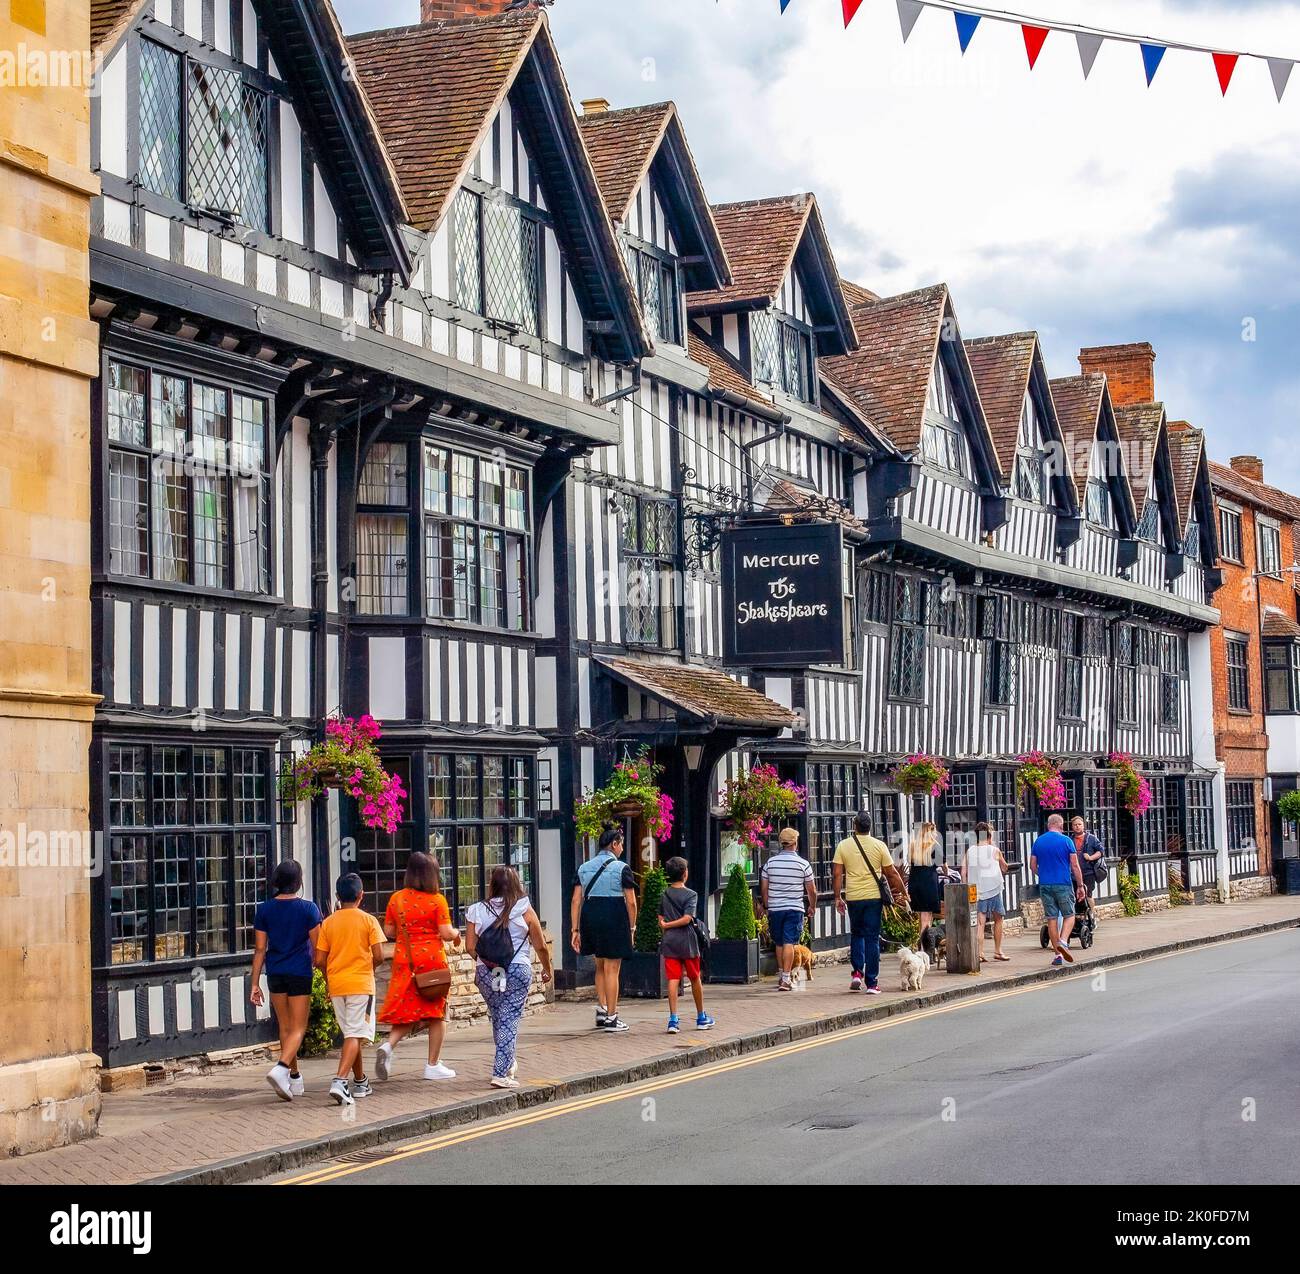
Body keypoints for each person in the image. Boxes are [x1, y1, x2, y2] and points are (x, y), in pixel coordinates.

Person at [375, 851, 460, 1084]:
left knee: (407, 1010)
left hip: (406, 961)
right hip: (432, 962)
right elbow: (445, 932)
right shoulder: (437, 900)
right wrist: (456, 934)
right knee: (437, 1013)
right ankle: (432, 1065)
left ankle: (388, 1045)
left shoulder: (397, 898)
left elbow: (389, 932)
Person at [465, 865, 552, 1089]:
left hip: (486, 972)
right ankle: (501, 1072)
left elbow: (470, 946)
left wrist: (488, 960)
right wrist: (546, 969)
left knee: (499, 1016)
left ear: (492, 884)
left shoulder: (476, 910)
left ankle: (508, 1061)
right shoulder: (524, 908)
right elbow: (540, 945)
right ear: (516, 884)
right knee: (509, 1019)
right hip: (517, 970)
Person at [250, 859, 322, 1101]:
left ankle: (295, 1078)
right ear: (298, 882)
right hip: (299, 971)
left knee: (285, 1027)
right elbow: (317, 946)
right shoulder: (309, 909)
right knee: (299, 1028)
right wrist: (323, 967)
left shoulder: (264, 909)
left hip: (275, 972)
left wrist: (254, 983)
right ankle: (281, 1069)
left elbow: (260, 949)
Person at [314, 873, 386, 1106]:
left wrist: (328, 980)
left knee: (350, 1035)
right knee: (355, 1034)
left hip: (337, 985)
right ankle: (340, 1081)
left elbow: (319, 959)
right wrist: (370, 968)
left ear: (337, 896)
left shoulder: (328, 923)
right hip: (360, 983)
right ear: (361, 895)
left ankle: (360, 1081)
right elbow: (379, 956)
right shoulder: (368, 921)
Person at [832, 812, 909, 995]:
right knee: (872, 939)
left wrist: (837, 897)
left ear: (854, 826)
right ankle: (872, 983)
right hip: (873, 897)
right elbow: (891, 874)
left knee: (857, 934)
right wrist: (905, 893)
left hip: (853, 897)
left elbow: (837, 874)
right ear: (870, 827)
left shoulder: (843, 845)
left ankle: (857, 972)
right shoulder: (879, 845)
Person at [570, 825, 637, 1032]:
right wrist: (632, 927)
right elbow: (632, 902)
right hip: (614, 916)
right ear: (614, 844)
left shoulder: (584, 867)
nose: (622, 849)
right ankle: (612, 1018)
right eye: (621, 845)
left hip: (590, 916)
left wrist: (575, 930)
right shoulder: (622, 868)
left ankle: (602, 1010)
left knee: (599, 965)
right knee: (612, 968)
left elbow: (575, 900)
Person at [657, 856, 714, 1033]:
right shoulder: (691, 894)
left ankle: (673, 1020)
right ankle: (701, 1017)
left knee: (673, 979)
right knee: (695, 977)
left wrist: (665, 926)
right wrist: (670, 924)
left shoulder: (664, 894)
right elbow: (687, 918)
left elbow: (661, 918)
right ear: (684, 874)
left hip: (670, 941)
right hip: (688, 941)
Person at [761, 827, 817, 992]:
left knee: (779, 942)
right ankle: (786, 979)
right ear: (794, 843)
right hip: (794, 908)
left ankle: (781, 975)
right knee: (789, 943)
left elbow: (764, 888)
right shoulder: (803, 864)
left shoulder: (770, 863)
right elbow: (812, 890)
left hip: (775, 908)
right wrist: (812, 906)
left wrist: (766, 905)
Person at [1030, 813, 1086, 966]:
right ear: (1061, 826)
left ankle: (1057, 956)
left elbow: (1032, 866)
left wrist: (1042, 875)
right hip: (1063, 883)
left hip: (1045, 884)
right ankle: (1063, 942)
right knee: (1069, 914)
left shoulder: (1038, 841)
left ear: (1049, 825)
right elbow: (1074, 865)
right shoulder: (1067, 841)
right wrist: (1080, 885)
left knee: (1052, 919)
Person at [964, 822, 1010, 963]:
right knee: (998, 919)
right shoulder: (994, 850)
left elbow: (963, 872)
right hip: (994, 888)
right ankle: (998, 951)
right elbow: (1005, 867)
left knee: (980, 923)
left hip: (976, 890)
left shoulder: (970, 851)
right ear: (989, 835)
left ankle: (979, 953)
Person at [907, 821, 942, 937]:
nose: (936, 833)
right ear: (930, 832)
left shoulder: (913, 845)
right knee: (927, 917)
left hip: (915, 883)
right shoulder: (935, 845)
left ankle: (921, 944)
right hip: (929, 884)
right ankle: (925, 946)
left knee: (921, 916)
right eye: (935, 831)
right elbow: (943, 865)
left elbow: (909, 862)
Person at [1071, 816, 1106, 918]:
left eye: (1079, 824)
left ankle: (1092, 916)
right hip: (1073, 874)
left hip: (1088, 873)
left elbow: (1101, 851)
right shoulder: (1069, 840)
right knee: (1075, 896)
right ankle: (1079, 918)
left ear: (1083, 826)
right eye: (1075, 825)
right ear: (1072, 827)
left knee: (1088, 894)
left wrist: (1091, 858)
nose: (1077, 827)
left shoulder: (1091, 838)